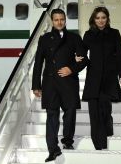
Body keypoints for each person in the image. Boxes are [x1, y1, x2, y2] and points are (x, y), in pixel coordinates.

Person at [32, 8, 88, 162]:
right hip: (50, 82)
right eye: (56, 19)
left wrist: (71, 68)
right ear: (52, 21)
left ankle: (68, 141)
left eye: (61, 19)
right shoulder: (44, 39)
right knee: (52, 115)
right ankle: (52, 149)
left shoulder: (74, 38)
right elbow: (38, 63)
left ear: (65, 20)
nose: (59, 22)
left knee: (70, 112)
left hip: (69, 82)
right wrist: (36, 85)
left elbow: (84, 59)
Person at [76, 6, 121, 150]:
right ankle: (100, 146)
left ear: (107, 18)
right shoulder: (89, 34)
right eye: (98, 18)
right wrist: (77, 58)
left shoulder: (115, 33)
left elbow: (120, 56)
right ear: (94, 19)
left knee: (104, 112)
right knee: (94, 114)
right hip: (93, 79)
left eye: (103, 17)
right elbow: (82, 54)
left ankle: (107, 129)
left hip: (109, 79)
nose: (101, 20)